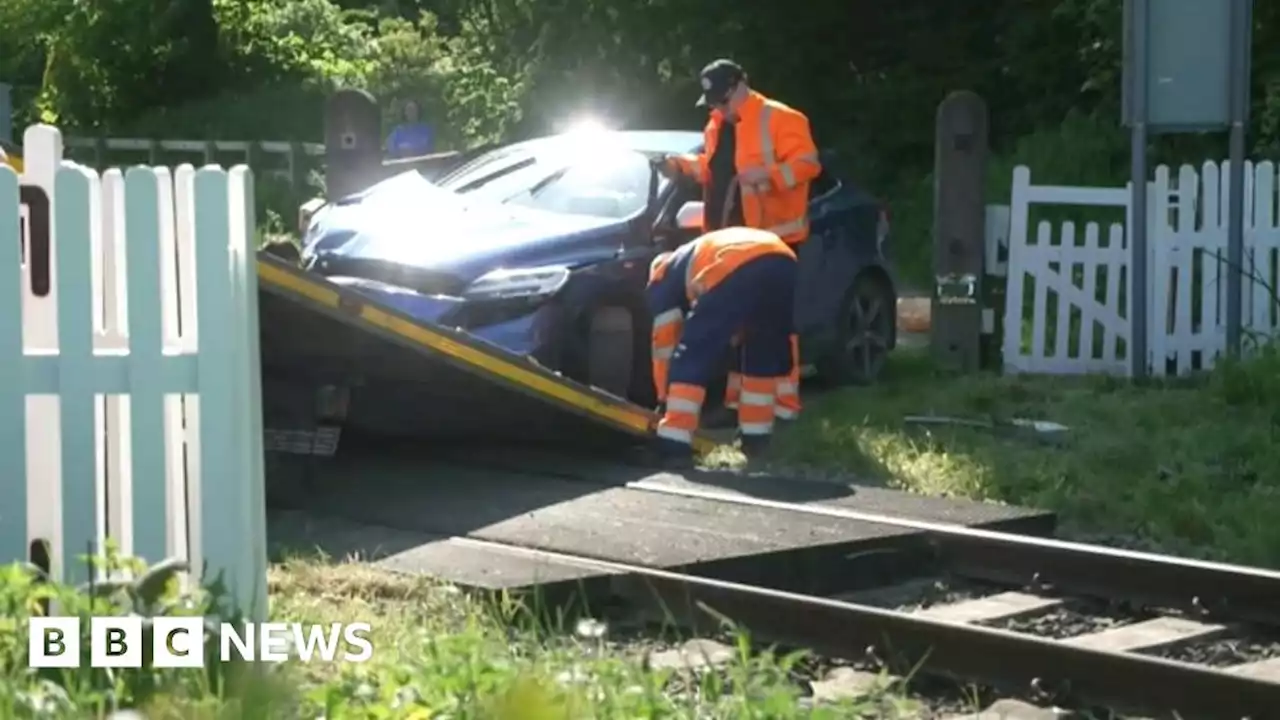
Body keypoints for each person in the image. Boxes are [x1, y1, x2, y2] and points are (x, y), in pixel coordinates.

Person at [658, 59, 820, 425]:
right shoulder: (717, 124)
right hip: (725, 245)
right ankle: (740, 405)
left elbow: (808, 164)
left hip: (772, 242)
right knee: (735, 326)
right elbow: (713, 171)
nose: (718, 108)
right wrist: (680, 166)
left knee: (774, 327)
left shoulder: (782, 118)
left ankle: (784, 406)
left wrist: (771, 175)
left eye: (722, 100)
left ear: (740, 85)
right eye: (713, 102)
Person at [646, 226, 798, 467]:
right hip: (783, 260)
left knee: (692, 353)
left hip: (736, 263)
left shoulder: (662, 281)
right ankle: (756, 439)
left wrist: (664, 399)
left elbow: (665, 347)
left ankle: (674, 443)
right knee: (762, 350)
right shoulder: (696, 253)